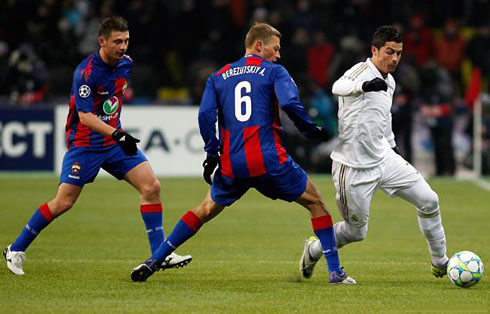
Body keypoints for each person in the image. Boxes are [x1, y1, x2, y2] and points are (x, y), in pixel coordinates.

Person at [130, 22, 356, 284]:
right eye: (276, 48)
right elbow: (290, 103)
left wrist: (212, 153)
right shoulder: (274, 71)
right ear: (259, 46)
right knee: (316, 204)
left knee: (204, 210)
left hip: (233, 162)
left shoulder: (218, 76)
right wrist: (310, 130)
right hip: (269, 159)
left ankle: (154, 260)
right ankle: (335, 272)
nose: (278, 54)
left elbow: (205, 115)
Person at [3, 16, 191, 276]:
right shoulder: (85, 72)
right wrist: (117, 133)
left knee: (151, 186)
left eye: (126, 41)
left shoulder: (126, 64)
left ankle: (159, 255)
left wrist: (115, 133)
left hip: (113, 143)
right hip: (85, 145)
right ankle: (15, 248)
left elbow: (112, 101)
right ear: (102, 41)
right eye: (117, 41)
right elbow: (85, 117)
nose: (123, 46)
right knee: (63, 202)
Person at [299, 25, 449, 280]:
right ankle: (314, 249)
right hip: (353, 167)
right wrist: (364, 85)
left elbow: (383, 117)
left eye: (399, 54)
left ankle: (441, 261)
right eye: (389, 52)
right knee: (356, 232)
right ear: (374, 50)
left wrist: (393, 146)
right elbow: (337, 86)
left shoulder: (389, 81)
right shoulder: (359, 72)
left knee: (429, 200)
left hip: (384, 158)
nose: (394, 59)